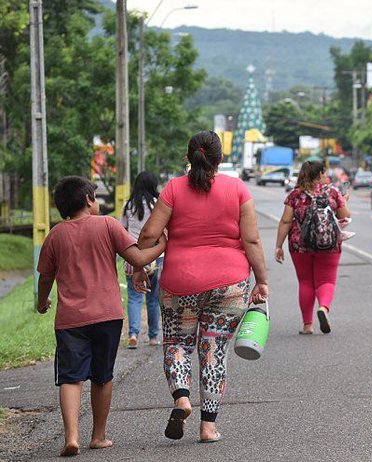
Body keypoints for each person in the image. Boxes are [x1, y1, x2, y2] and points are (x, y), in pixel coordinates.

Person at [133, 130, 268, 443]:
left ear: (188, 157)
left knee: (177, 344)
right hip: (229, 284)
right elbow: (251, 239)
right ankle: (208, 427)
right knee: (213, 352)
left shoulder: (174, 189)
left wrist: (140, 267)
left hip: (180, 284)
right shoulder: (237, 189)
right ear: (220, 158)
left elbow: (149, 236)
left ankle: (182, 399)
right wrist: (261, 280)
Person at [36, 176, 165, 457]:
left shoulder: (56, 234)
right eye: (95, 197)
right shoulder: (107, 225)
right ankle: (98, 436)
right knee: (102, 377)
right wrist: (163, 244)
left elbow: (45, 276)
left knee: (70, 378)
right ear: (88, 200)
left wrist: (41, 301)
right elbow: (139, 260)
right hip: (107, 316)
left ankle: (72, 436)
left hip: (70, 319)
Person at [274, 160, 351, 335]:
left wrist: (278, 246)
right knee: (326, 280)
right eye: (325, 173)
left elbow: (286, 221)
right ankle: (323, 308)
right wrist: (345, 202)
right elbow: (345, 216)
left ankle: (307, 325)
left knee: (305, 282)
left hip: (299, 244)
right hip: (329, 244)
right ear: (320, 174)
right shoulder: (333, 193)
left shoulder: (295, 195)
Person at [120, 171, 163, 349]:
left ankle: (133, 334)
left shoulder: (128, 206)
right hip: (156, 257)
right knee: (153, 299)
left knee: (134, 297)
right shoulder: (158, 205)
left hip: (133, 257)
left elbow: (122, 230)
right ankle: (153, 337)